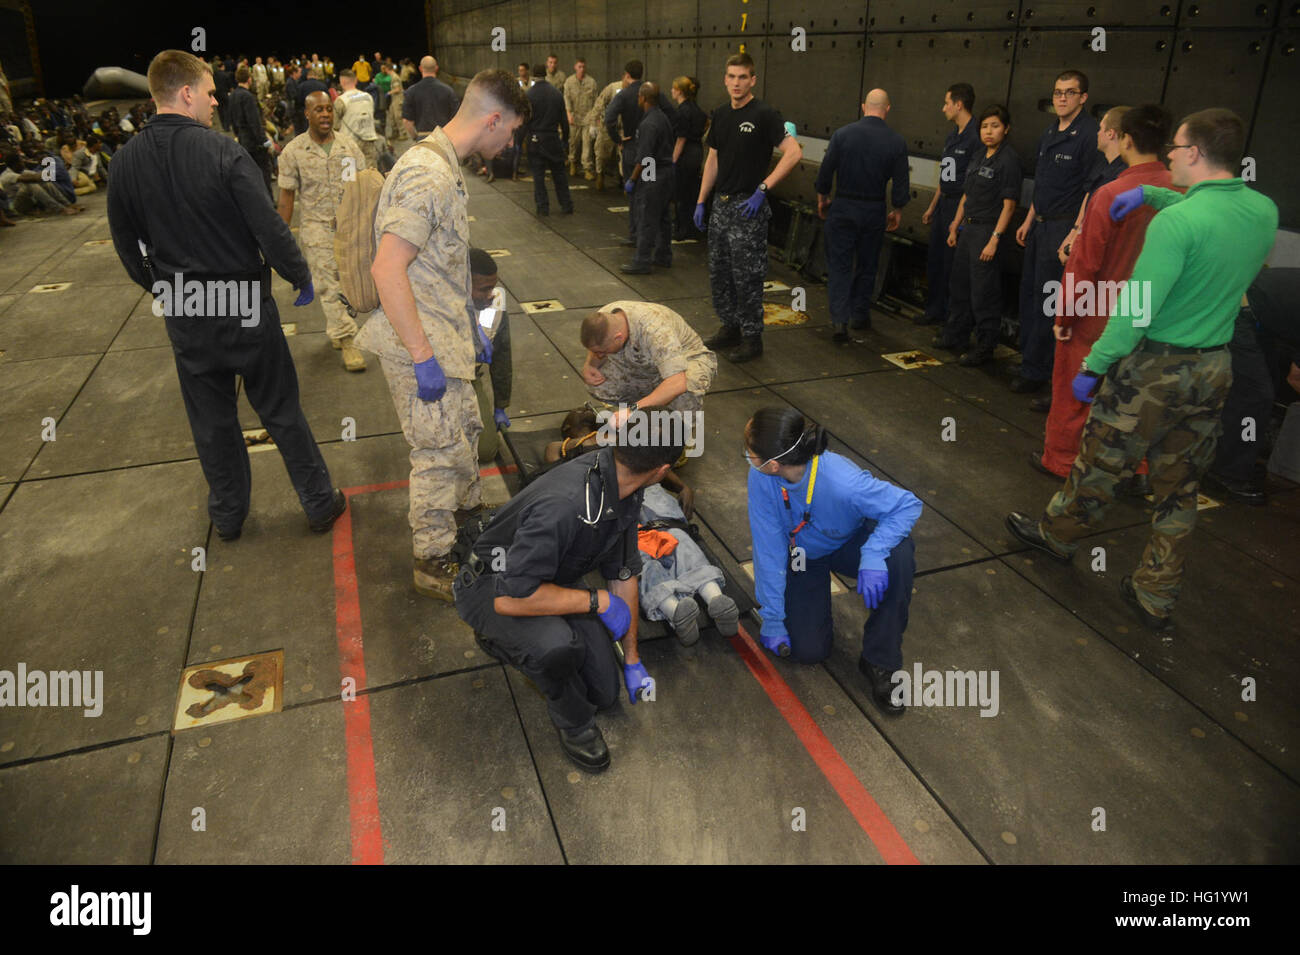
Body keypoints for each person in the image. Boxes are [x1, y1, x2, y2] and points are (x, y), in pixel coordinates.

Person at [1006, 108, 1278, 633]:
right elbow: (1215, 219)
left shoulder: (1177, 224)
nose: (1169, 156)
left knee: (1099, 462)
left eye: (1176, 148)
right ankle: (1157, 590)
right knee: (1178, 486)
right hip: (1214, 367)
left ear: (1194, 153)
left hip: (1153, 369)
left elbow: (1136, 308)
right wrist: (1155, 195)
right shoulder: (1262, 210)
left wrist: (1095, 364)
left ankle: (1058, 536)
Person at [107, 49, 344, 541]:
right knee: (280, 409)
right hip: (242, 302)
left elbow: (127, 247)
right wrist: (299, 274)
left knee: (212, 420)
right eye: (210, 93)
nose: (215, 102)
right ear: (187, 93)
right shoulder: (223, 152)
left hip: (186, 309)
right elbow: (269, 229)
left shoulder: (125, 161)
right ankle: (319, 503)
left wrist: (162, 286)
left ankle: (229, 515)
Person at [353, 69, 530, 600]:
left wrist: (469, 332)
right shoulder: (428, 175)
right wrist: (423, 356)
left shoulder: (444, 165)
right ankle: (431, 558)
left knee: (465, 431)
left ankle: (469, 513)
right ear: (493, 119)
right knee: (434, 452)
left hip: (445, 336)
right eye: (512, 131)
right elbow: (388, 270)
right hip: (422, 345)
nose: (510, 143)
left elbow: (437, 265)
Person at [453, 414, 683, 772]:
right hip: (493, 586)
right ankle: (574, 725)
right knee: (557, 649)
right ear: (661, 470)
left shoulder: (625, 486)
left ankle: (525, 639)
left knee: (605, 694)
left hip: (550, 578)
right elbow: (511, 596)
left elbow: (623, 572)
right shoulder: (567, 504)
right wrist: (597, 601)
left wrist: (633, 658)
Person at [744, 408, 921, 715]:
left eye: (750, 451)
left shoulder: (843, 482)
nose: (747, 457)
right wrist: (772, 615)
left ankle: (881, 660)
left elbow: (907, 505)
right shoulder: (762, 479)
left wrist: (874, 553)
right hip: (801, 555)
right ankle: (807, 612)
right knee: (807, 650)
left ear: (773, 464)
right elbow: (768, 549)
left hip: (847, 542)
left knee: (899, 556)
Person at [1034, 104, 1175, 477]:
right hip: (1154, 313)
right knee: (1139, 396)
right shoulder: (1182, 192)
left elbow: (1085, 265)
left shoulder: (1112, 193)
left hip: (1100, 311)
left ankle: (1063, 461)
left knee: (1076, 392)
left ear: (1125, 139)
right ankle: (1138, 467)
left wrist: (1065, 316)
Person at [697, 52, 803, 363]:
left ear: (752, 80)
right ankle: (730, 327)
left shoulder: (765, 114)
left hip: (748, 209)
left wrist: (763, 188)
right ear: (725, 79)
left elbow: (793, 152)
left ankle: (752, 337)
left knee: (747, 276)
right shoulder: (720, 115)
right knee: (720, 273)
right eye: (731, 77)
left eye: (743, 77)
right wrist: (702, 199)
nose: (736, 83)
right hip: (721, 205)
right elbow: (713, 159)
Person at [1012, 69, 1106, 394]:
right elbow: (1043, 182)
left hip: (1064, 227)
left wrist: (1076, 231)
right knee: (1031, 296)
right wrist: (1028, 220)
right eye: (1057, 92)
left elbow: (1090, 190)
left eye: (1069, 92)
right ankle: (1030, 364)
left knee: (1053, 303)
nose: (1062, 98)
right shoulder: (1050, 132)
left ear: (1083, 98)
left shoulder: (1089, 135)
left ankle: (1048, 377)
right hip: (1040, 225)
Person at [276, 91, 368, 373]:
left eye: (329, 109)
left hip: (348, 227)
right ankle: (347, 338)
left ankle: (338, 327)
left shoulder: (348, 147)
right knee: (329, 286)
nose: (325, 114)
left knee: (350, 286)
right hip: (316, 230)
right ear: (307, 114)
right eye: (318, 110)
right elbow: (287, 199)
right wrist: (279, 240)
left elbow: (359, 186)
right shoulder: (293, 151)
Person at [815, 88, 910, 343]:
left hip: (844, 205)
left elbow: (825, 173)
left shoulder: (842, 135)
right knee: (868, 264)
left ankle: (839, 321)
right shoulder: (897, 142)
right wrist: (897, 209)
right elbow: (901, 183)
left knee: (840, 265)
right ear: (887, 109)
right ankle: (859, 314)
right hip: (874, 209)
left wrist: (823, 198)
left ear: (862, 106)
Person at [931, 105, 1022, 366]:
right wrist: (954, 224)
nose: (989, 131)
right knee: (959, 286)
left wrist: (994, 239)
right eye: (984, 126)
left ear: (1006, 129)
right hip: (968, 228)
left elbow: (1009, 205)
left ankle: (985, 346)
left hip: (987, 231)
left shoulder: (1009, 161)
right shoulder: (980, 154)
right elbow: (967, 194)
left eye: (995, 126)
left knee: (984, 293)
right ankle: (956, 335)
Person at [1203, 268, 1300, 504]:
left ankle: (1238, 453)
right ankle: (1226, 473)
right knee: (1257, 395)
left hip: (1260, 314)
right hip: (1237, 308)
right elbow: (1296, 377)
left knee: (1264, 386)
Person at [637, 478, 740, 645]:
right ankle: (677, 612)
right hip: (613, 504)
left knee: (679, 539)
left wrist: (682, 487)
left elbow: (660, 466)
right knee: (640, 559)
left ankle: (715, 600)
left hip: (648, 490)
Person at [579, 301, 717, 420]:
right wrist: (590, 365)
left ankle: (679, 436)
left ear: (618, 338)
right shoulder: (604, 317)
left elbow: (677, 382)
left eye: (602, 351)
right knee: (600, 384)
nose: (599, 355)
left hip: (687, 360)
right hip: (651, 360)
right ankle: (643, 413)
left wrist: (632, 410)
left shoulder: (656, 332)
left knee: (686, 390)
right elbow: (597, 345)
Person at [917, 82, 978, 326]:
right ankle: (934, 310)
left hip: (960, 208)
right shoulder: (953, 136)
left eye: (946, 103)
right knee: (937, 260)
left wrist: (959, 218)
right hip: (944, 204)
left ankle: (952, 321)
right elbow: (946, 175)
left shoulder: (975, 137)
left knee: (954, 266)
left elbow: (971, 184)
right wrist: (932, 206)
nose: (944, 109)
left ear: (958, 104)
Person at [620, 81, 675, 273]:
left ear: (643, 98)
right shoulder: (663, 118)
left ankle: (642, 261)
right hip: (666, 172)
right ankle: (663, 255)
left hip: (655, 171)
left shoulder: (649, 124)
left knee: (647, 217)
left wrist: (634, 180)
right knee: (663, 217)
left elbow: (645, 158)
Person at [469, 248, 513, 464]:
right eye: (483, 289)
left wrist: (500, 405)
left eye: (493, 287)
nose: (491, 295)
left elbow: (502, 355)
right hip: (438, 378)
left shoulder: (495, 302)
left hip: (469, 375)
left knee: (485, 450)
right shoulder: (436, 304)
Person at [524, 62, 572, 216]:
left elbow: (524, 120)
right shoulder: (556, 93)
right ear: (545, 74)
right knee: (559, 174)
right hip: (552, 139)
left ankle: (543, 208)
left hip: (535, 139)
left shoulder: (528, 95)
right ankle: (566, 205)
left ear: (532, 75)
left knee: (538, 176)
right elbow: (564, 121)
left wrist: (520, 142)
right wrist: (564, 141)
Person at [669, 75, 707, 240]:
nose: (671, 91)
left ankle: (681, 229)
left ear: (679, 92)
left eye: (673, 88)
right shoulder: (697, 110)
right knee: (692, 192)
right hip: (696, 152)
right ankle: (692, 227)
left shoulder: (682, 111)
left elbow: (680, 139)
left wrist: (673, 161)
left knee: (680, 193)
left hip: (685, 154)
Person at [228, 66, 274, 194]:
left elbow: (231, 119)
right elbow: (254, 122)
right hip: (255, 143)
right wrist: (264, 142)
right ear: (249, 80)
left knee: (249, 174)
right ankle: (267, 202)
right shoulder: (248, 97)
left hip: (243, 140)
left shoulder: (232, 96)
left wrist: (238, 135)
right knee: (264, 173)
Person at [333, 70, 382, 170]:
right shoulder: (368, 97)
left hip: (349, 143)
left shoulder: (341, 100)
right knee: (370, 175)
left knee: (349, 176)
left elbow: (335, 125)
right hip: (369, 139)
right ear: (355, 81)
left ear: (341, 82)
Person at [402, 56, 459, 141]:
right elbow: (456, 119)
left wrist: (415, 137)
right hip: (443, 137)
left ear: (420, 69)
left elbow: (407, 122)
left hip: (423, 138)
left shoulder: (411, 92)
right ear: (436, 68)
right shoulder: (448, 91)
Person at [588, 76, 624, 191]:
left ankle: (624, 180)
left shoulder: (635, 90)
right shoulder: (613, 87)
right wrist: (593, 122)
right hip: (608, 126)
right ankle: (600, 174)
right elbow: (600, 103)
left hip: (624, 127)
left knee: (625, 155)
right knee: (601, 152)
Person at [563, 58, 597, 179]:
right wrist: (568, 114)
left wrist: (595, 119)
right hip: (574, 116)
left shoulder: (591, 82)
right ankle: (572, 162)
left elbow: (595, 102)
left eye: (583, 67)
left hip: (587, 116)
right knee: (573, 142)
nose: (581, 69)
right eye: (579, 67)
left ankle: (587, 168)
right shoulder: (569, 82)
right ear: (575, 67)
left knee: (587, 144)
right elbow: (566, 99)